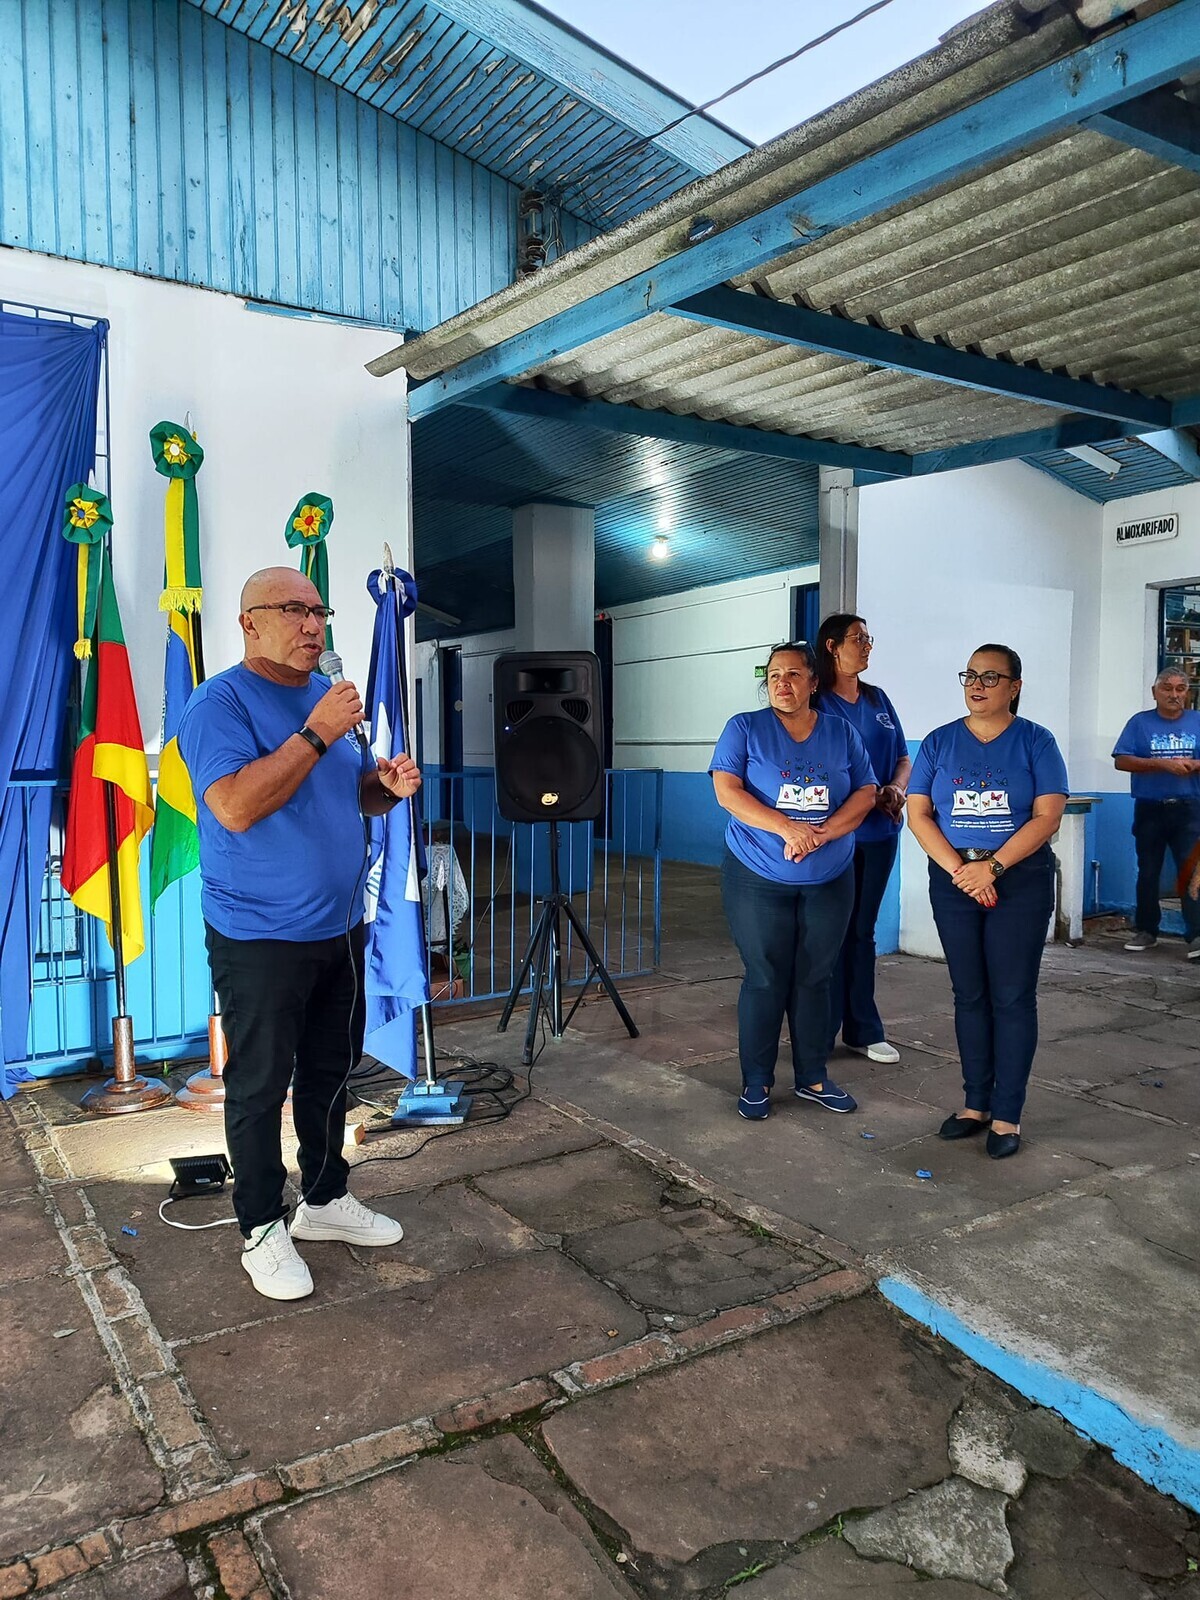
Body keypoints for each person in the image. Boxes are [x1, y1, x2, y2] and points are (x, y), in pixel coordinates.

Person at [178, 567, 422, 1301]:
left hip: (339, 926)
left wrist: (384, 787)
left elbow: (349, 794)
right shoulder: (217, 703)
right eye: (293, 610)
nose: (314, 624)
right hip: (259, 935)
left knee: (329, 1071)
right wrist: (316, 732)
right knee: (259, 1085)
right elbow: (235, 807)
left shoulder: (327, 696)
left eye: (320, 610)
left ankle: (324, 1198)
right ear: (249, 622)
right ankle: (260, 1225)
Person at [907, 645, 1068, 1160]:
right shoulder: (939, 741)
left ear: (1014, 687)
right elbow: (918, 814)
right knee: (969, 993)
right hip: (955, 882)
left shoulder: (1036, 741)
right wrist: (963, 873)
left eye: (991, 677)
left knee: (1012, 996)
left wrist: (992, 868)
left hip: (1019, 881)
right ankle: (975, 1104)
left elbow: (1047, 817)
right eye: (971, 675)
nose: (977, 685)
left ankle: (1007, 1113)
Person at [711, 641, 876, 1120]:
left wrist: (822, 834)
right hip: (757, 873)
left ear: (813, 682)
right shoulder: (744, 728)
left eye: (793, 674)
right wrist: (787, 828)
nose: (782, 683)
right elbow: (727, 791)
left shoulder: (841, 732)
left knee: (816, 976)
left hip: (830, 875)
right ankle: (757, 1081)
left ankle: (813, 1077)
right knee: (765, 976)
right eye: (774, 676)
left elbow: (866, 791)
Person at [814, 614, 910, 1066]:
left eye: (870, 638)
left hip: (880, 832)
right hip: (836, 835)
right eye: (859, 638)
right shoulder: (817, 702)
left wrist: (897, 789)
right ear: (832, 646)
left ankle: (863, 1029)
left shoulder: (878, 699)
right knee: (830, 932)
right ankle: (818, 1030)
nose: (867, 645)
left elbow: (904, 757)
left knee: (862, 931)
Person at [1111, 668, 1200, 958]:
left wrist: (1194, 765)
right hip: (1150, 808)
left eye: (1180, 689)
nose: (1174, 695)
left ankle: (1196, 934)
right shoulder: (1140, 723)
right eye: (1167, 688)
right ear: (1154, 692)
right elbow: (1122, 761)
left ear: (1187, 692)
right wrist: (1163, 765)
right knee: (1148, 871)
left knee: (1191, 872)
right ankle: (1147, 930)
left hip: (1189, 808)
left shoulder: (1198, 721)